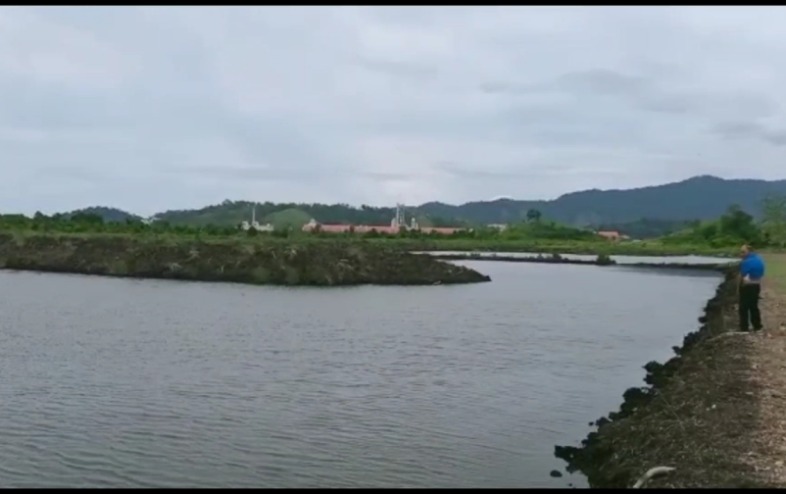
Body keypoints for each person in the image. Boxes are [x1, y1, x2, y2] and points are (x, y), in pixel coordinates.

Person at [739, 244, 765, 332]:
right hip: (756, 285)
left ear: (749, 252)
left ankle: (744, 328)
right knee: (754, 306)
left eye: (743, 252)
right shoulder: (759, 259)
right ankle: (757, 326)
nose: (741, 254)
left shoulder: (746, 262)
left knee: (743, 308)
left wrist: (740, 287)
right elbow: (761, 273)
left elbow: (743, 276)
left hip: (748, 286)